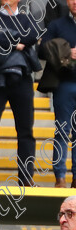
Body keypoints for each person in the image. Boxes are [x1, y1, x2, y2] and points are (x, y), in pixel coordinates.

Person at [0, 0, 39, 187]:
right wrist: (17, 43)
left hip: (22, 80)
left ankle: (25, 178)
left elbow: (32, 36)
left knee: (25, 131)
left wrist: (6, 40)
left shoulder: (27, 19)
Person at [43, 0, 76, 187]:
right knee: (62, 132)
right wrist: (66, 52)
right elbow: (43, 49)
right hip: (64, 85)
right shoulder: (57, 25)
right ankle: (60, 177)